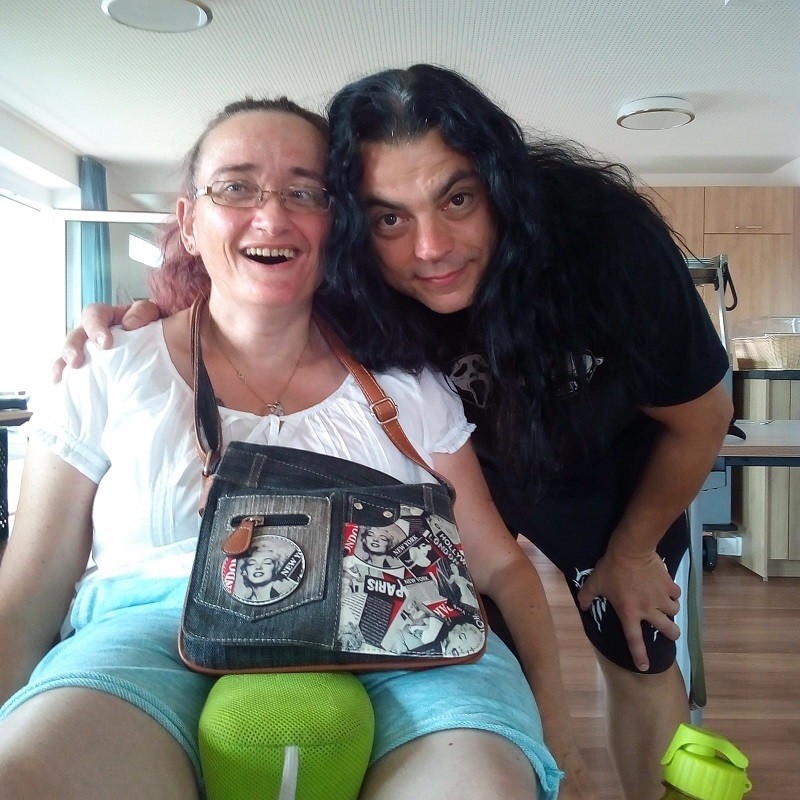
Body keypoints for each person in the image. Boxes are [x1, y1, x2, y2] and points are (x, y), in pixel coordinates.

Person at [55, 64, 732, 799]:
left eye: (458, 199)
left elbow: (702, 418)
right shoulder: (355, 273)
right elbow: (252, 288)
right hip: (466, 469)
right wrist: (141, 321)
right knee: (482, 651)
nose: (429, 247)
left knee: (635, 645)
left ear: (502, 188)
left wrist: (632, 552)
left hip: (606, 467)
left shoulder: (608, 248)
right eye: (388, 218)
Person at [0, 96, 576, 800]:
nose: (272, 218)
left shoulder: (410, 387)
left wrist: (561, 740)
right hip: (147, 636)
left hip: (401, 635)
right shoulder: (108, 368)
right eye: (235, 187)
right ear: (189, 221)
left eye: (306, 193)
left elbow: (500, 565)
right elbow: (27, 597)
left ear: (337, 226)